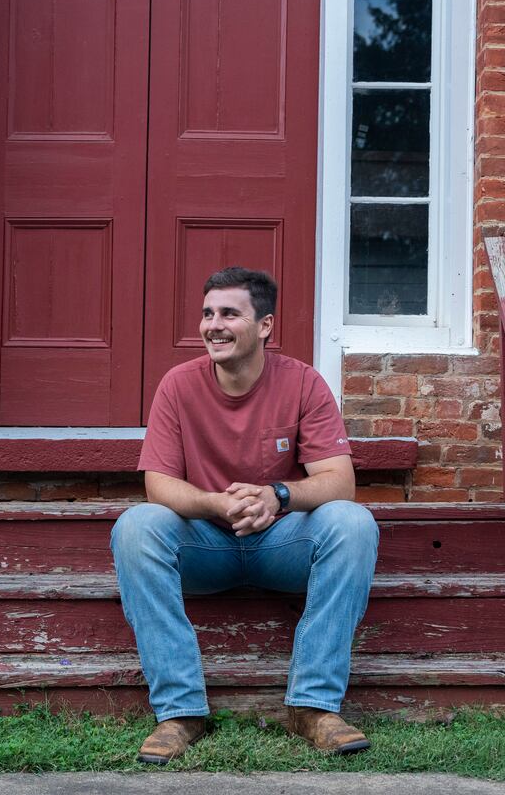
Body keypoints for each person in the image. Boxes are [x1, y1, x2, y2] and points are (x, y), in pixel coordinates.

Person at [111, 266, 379, 765]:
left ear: (265, 325)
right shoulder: (177, 386)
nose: (214, 325)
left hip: (281, 544)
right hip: (205, 547)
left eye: (229, 314)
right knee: (135, 527)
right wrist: (216, 503)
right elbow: (158, 486)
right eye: (208, 314)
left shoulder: (303, 382)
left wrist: (278, 496)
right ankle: (180, 712)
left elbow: (340, 481)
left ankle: (313, 707)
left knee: (352, 522)